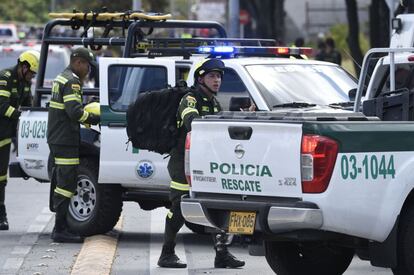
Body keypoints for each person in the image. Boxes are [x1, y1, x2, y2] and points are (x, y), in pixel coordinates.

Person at [158, 58, 246, 269]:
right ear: (200, 79)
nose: (216, 81)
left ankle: (222, 254)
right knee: (179, 206)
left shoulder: (214, 103)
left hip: (205, 161)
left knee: (216, 205)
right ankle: (166, 253)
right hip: (183, 162)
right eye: (212, 76)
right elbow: (192, 122)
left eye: (219, 77)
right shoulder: (190, 99)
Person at [47, 47, 100, 243]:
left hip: (59, 137)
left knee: (64, 181)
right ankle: (60, 229)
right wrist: (94, 118)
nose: (87, 70)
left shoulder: (62, 77)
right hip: (65, 139)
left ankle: (60, 227)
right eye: (87, 65)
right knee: (66, 184)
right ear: (78, 62)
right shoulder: (72, 82)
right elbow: (75, 112)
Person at [0, 50, 40, 230]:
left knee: (1, 177)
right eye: (31, 72)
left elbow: (29, 105)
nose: (32, 76)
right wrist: (21, 117)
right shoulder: (5, 78)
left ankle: (1, 215)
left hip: (4, 136)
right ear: (23, 67)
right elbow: (2, 107)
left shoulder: (25, 83)